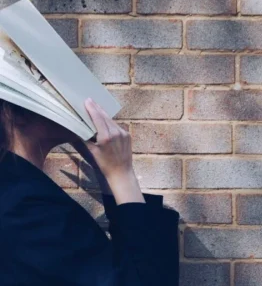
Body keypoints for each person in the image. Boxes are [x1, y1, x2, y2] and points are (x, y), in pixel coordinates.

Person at [0, 97, 179, 285]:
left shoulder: (17, 192)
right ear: (11, 112)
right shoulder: (24, 207)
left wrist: (106, 172)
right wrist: (122, 175)